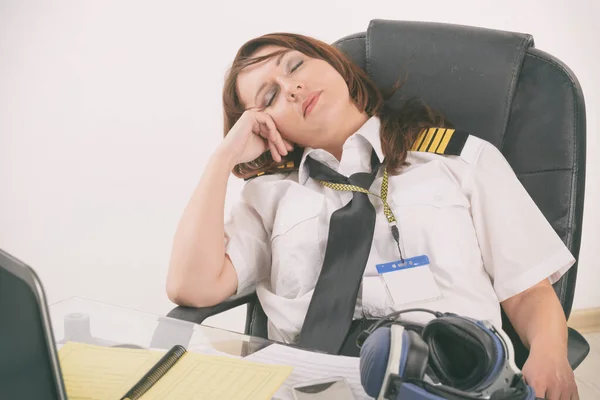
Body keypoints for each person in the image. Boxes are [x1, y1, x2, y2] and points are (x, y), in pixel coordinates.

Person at [166, 32, 579, 399]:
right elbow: (190, 287)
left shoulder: (457, 161)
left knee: (433, 358)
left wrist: (549, 356)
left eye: (295, 66)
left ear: (334, 64)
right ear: (264, 125)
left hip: (450, 358)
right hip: (310, 382)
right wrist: (222, 160)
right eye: (269, 98)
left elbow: (527, 290)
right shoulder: (268, 197)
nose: (291, 88)